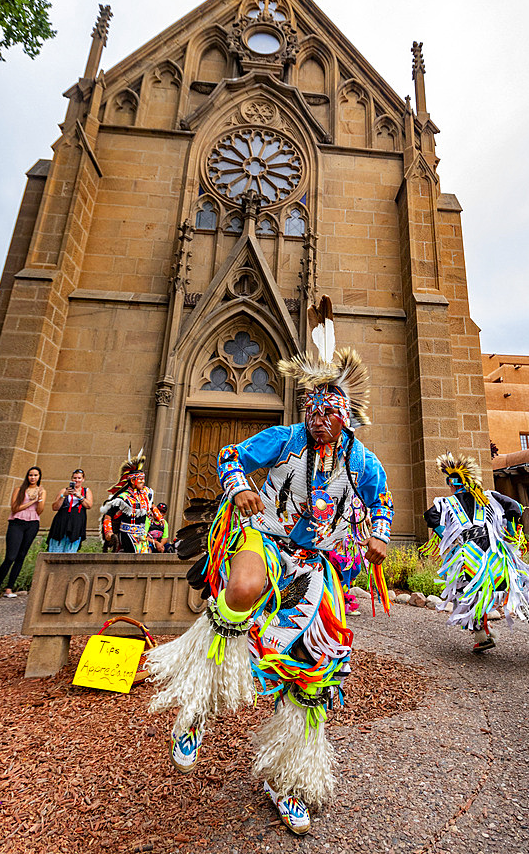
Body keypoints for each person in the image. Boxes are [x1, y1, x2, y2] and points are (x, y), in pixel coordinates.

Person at [146, 300, 393, 835]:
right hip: (268, 540)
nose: (317, 416)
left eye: (327, 409)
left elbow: (381, 505)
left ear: (345, 414)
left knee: (312, 676)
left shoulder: (363, 461)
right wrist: (238, 492)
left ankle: (287, 780)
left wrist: (377, 537)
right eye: (310, 406)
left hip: (320, 566)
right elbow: (231, 457)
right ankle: (196, 707)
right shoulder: (284, 440)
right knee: (244, 585)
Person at [424, 452, 529, 659]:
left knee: (470, 594)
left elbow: (430, 517)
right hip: (495, 554)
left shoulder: (446, 503)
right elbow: (515, 508)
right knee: (519, 591)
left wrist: (449, 537)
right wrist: (510, 532)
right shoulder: (489, 497)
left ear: (453, 484)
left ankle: (482, 635)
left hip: (469, 557)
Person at [0, 466, 46, 599]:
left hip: (32, 523)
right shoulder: (19, 490)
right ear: (27, 476)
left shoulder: (42, 491)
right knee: (10, 556)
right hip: (17, 523)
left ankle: (9, 588)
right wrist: (32, 501)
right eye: (31, 475)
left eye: (36, 475)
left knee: (21, 556)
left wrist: (40, 498)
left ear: (39, 477)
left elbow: (39, 510)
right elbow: (15, 508)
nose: (33, 477)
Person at [100, 448, 153, 553]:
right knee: (133, 556)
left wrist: (159, 517)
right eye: (140, 479)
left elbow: (152, 507)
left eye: (143, 479)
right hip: (127, 533)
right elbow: (108, 515)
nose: (143, 482)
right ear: (133, 481)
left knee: (143, 557)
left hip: (141, 534)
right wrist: (108, 531)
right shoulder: (123, 498)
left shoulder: (146, 494)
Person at [48, 469, 93, 553]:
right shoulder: (64, 490)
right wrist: (63, 495)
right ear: (71, 479)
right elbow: (55, 507)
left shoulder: (86, 491)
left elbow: (89, 505)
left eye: (79, 478)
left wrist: (80, 496)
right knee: (56, 548)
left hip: (76, 523)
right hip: (62, 522)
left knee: (71, 550)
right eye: (74, 478)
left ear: (83, 479)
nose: (76, 480)